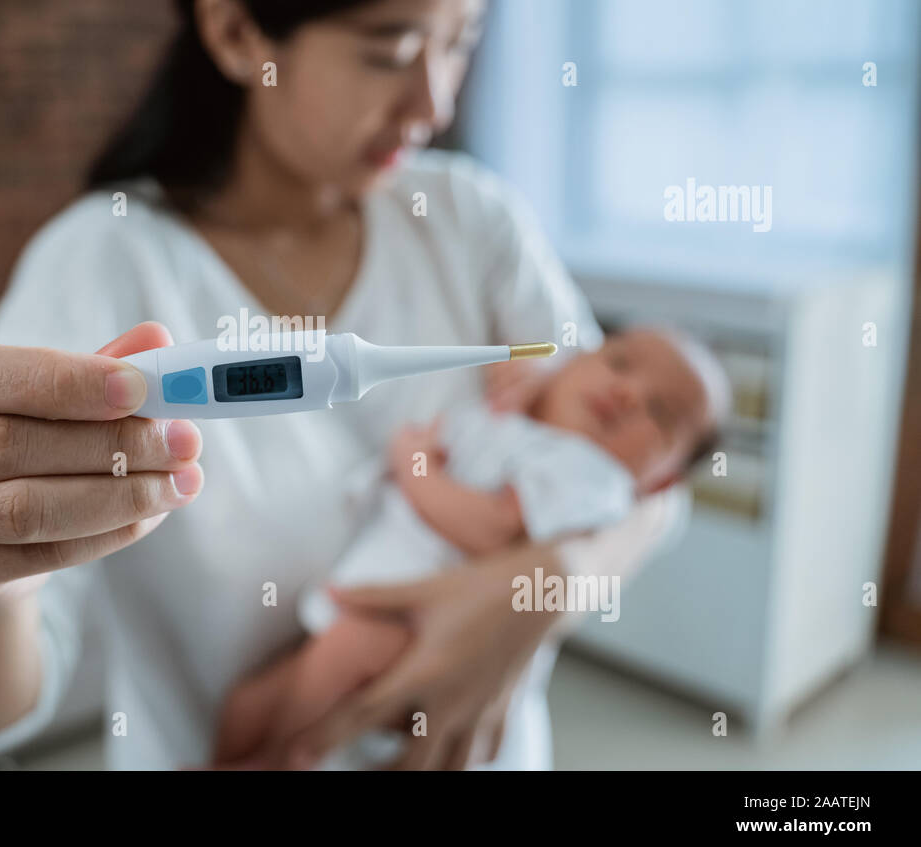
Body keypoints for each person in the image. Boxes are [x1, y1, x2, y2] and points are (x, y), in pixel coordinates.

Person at [0, 0, 688, 770]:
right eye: (390, 50)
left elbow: (654, 474)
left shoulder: (473, 220)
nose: (434, 102)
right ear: (239, 33)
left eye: (462, 39)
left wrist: (538, 592)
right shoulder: (101, 262)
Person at [213, 328, 731, 768]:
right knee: (246, 706)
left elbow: (493, 528)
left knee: (339, 661)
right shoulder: (518, 421)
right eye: (619, 363)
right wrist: (527, 396)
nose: (627, 393)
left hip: (419, 628)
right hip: (367, 594)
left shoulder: (593, 476)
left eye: (660, 412)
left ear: (661, 484)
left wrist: (414, 466)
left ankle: (272, 761)